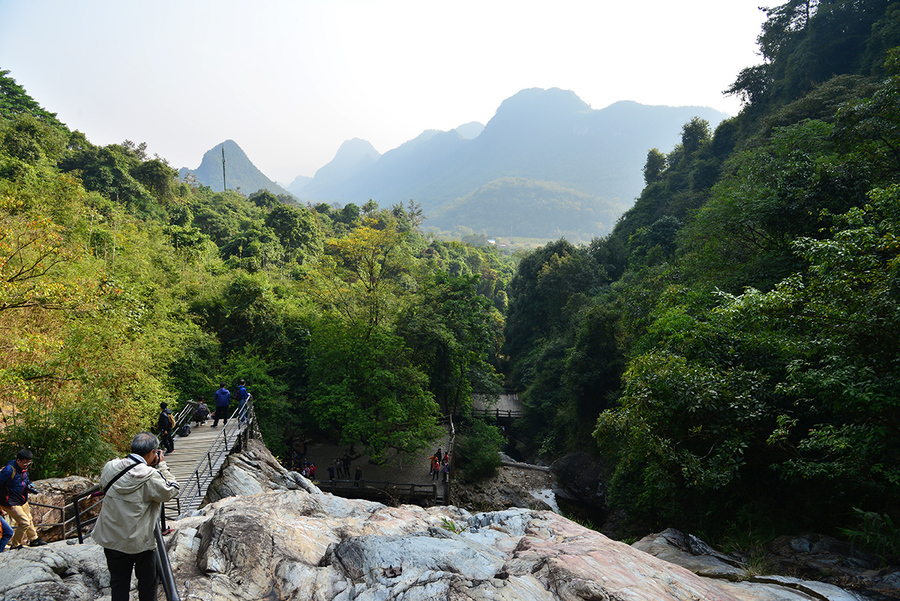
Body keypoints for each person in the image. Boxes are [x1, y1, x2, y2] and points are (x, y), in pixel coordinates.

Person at [94, 432, 180, 601]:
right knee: (147, 584)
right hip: (139, 542)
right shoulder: (150, 476)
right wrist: (162, 466)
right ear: (151, 453)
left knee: (118, 583)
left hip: (112, 537)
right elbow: (172, 490)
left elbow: (103, 485)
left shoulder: (111, 466)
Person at [0, 449, 47, 549]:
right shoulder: (9, 470)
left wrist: (29, 485)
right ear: (18, 461)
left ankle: (34, 539)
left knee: (29, 519)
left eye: (28, 463)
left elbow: (24, 479)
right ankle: (15, 545)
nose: (26, 465)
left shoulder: (24, 468)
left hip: (22, 499)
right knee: (24, 522)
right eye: (25, 463)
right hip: (10, 501)